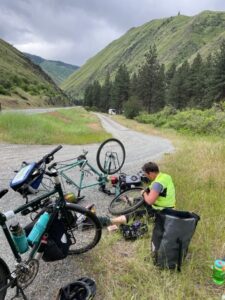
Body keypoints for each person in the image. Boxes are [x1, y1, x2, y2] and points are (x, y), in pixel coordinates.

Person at [98, 161, 176, 227]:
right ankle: (129, 200)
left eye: (146, 175)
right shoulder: (165, 177)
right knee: (141, 200)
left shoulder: (158, 183)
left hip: (163, 211)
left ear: (151, 173)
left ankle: (110, 221)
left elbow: (150, 201)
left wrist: (144, 193)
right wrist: (145, 193)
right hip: (166, 206)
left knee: (137, 214)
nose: (146, 177)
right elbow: (152, 190)